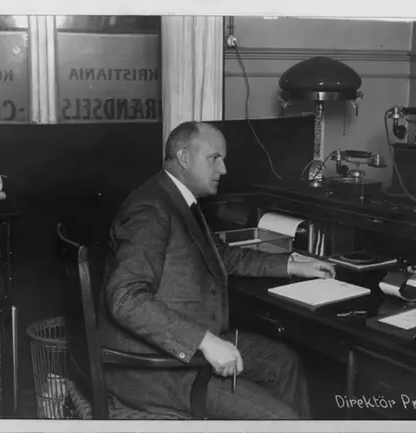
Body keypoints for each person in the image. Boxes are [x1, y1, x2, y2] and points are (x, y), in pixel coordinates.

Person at [98, 121, 336, 419]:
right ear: (184, 157)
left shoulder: (176, 199)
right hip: (154, 367)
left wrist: (292, 265)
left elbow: (221, 255)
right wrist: (206, 341)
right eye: (214, 158)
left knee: (284, 362)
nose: (223, 169)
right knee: (281, 418)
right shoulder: (150, 210)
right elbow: (125, 299)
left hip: (181, 346)